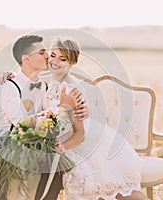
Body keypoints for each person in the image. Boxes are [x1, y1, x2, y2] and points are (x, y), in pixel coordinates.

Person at [40, 36, 150, 200]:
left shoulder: (72, 90)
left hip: (80, 143)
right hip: (61, 138)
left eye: (63, 59)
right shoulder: (47, 80)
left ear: (71, 63)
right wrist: (9, 76)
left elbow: (80, 133)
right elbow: (26, 79)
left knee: (115, 191)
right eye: (53, 55)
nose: (55, 61)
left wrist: (62, 148)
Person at [0, 34, 86, 200]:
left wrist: (74, 109)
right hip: (4, 139)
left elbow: (54, 116)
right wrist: (57, 111)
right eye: (43, 53)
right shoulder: (10, 85)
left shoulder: (43, 85)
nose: (48, 57)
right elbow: (20, 123)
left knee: (55, 164)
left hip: (31, 139)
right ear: (26, 59)